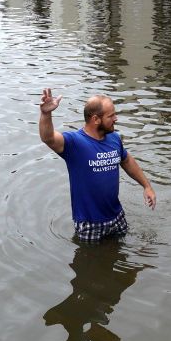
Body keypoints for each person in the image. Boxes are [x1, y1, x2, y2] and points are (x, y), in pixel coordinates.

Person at [37, 88, 156, 241]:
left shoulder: (114, 138)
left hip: (117, 217)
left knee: (120, 255)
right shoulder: (75, 143)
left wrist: (147, 186)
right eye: (111, 115)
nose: (116, 118)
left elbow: (126, 160)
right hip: (90, 224)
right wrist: (46, 114)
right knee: (90, 262)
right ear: (95, 119)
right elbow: (48, 138)